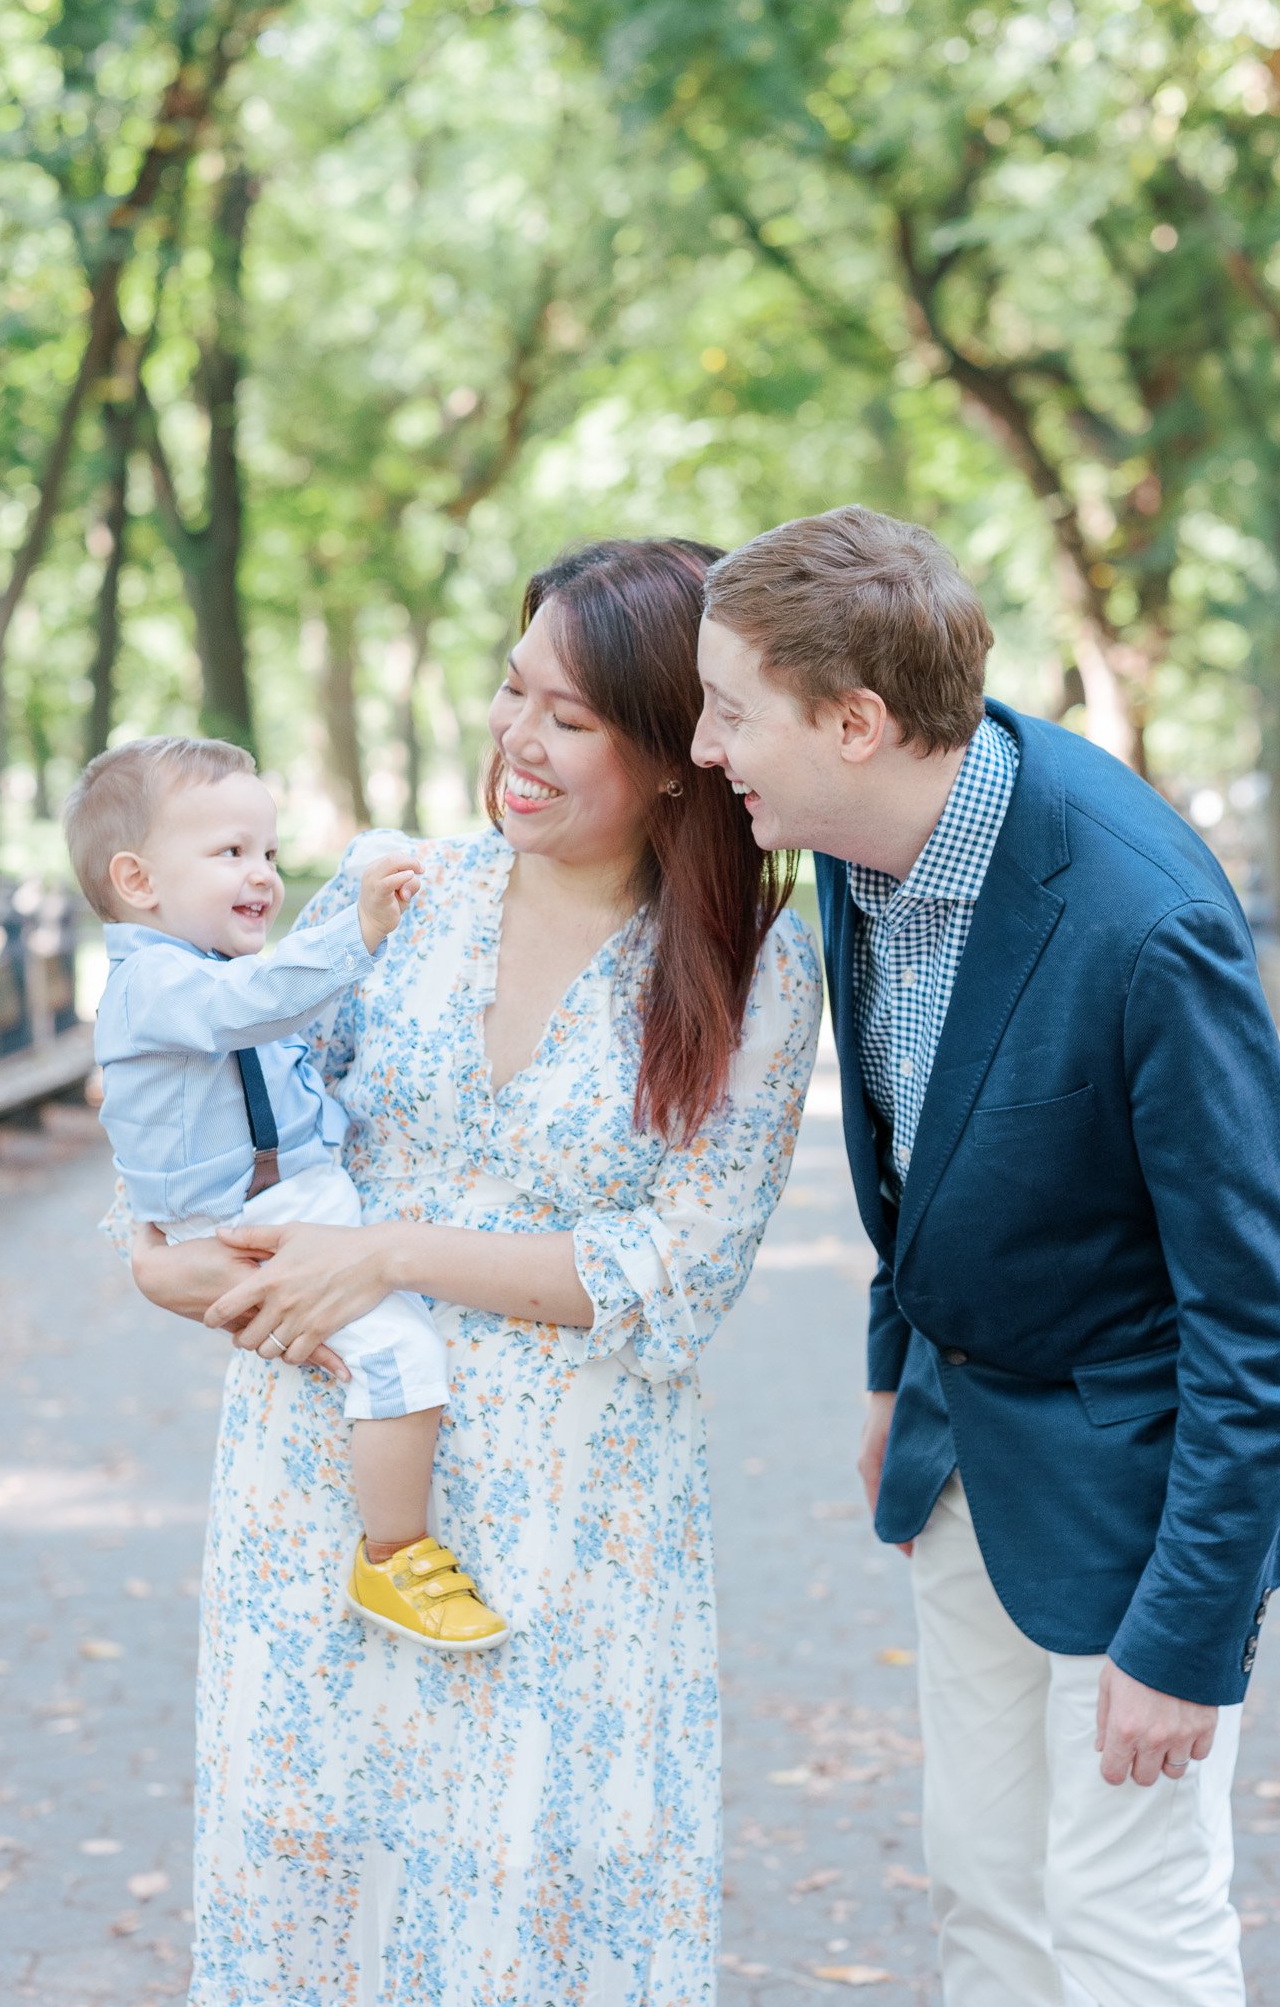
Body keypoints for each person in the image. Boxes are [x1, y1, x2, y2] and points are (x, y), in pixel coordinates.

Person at [122, 537, 822, 2005]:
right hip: (328, 1473)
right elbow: (245, 1128)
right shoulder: (398, 893)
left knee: (528, 1898)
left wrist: (385, 1248)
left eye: (569, 718)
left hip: (577, 1513)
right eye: (513, 693)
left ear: (679, 754)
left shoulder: (758, 967)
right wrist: (174, 1268)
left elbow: (672, 1275)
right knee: (311, 1876)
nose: (517, 740)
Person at [691, 504, 1280, 2007]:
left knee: (1130, 1924)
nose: (710, 748)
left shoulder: (1143, 921)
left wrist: (1183, 1639)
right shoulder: (861, 835)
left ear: (855, 722)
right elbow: (921, 1150)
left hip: (1142, 1482)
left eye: (732, 713)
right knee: (986, 1888)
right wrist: (887, 1370)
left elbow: (1258, 1320)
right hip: (957, 1445)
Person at [66, 736, 506, 1651]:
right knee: (396, 1355)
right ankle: (393, 1553)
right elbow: (257, 1007)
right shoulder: (156, 984)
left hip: (293, 1201)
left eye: (267, 852)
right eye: (230, 854)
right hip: (253, 1222)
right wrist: (358, 931)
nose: (262, 875)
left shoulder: (211, 967)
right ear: (139, 883)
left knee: (389, 1326)